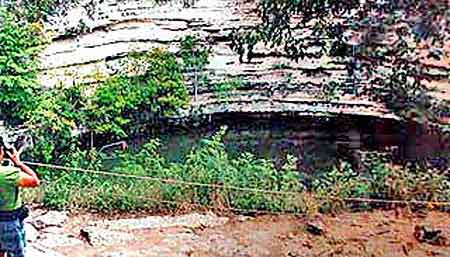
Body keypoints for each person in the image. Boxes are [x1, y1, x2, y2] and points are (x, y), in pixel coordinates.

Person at [0, 145, 40, 257]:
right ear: (1, 153)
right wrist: (19, 163)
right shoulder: (7, 174)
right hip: (8, 222)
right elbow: (35, 181)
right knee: (17, 253)